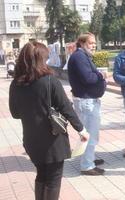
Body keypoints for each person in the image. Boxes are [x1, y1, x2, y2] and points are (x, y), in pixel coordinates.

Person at [9, 41, 88, 200]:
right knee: (53, 179)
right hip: (53, 141)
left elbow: (15, 114)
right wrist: (81, 130)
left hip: (31, 140)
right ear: (41, 59)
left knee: (42, 175)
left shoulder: (16, 84)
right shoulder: (50, 80)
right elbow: (66, 108)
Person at [68, 33, 107, 175]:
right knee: (90, 134)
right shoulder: (79, 57)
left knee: (89, 134)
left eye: (94, 43)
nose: (94, 45)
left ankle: (88, 159)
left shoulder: (82, 56)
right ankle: (87, 166)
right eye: (91, 43)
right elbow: (88, 78)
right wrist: (101, 75)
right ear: (82, 43)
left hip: (87, 101)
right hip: (86, 102)